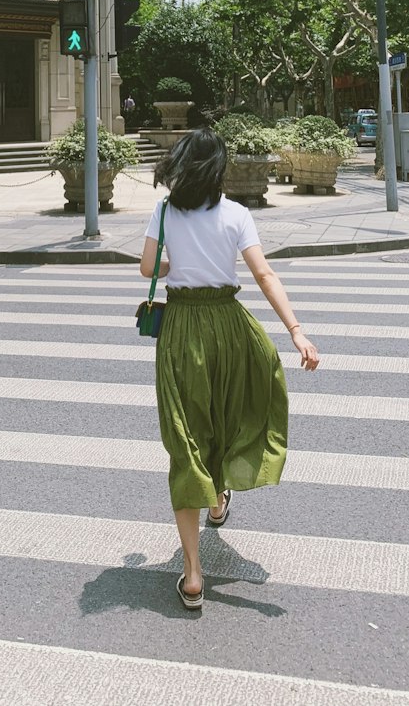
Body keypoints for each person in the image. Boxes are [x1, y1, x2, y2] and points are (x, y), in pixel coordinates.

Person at [140, 125, 319, 612]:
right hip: (228, 325)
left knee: (186, 434)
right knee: (228, 412)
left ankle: (193, 574)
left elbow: (147, 268)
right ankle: (217, 500)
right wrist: (296, 332)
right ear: (219, 169)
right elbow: (263, 273)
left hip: (181, 327)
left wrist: (179, 259)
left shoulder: (163, 211)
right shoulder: (237, 214)